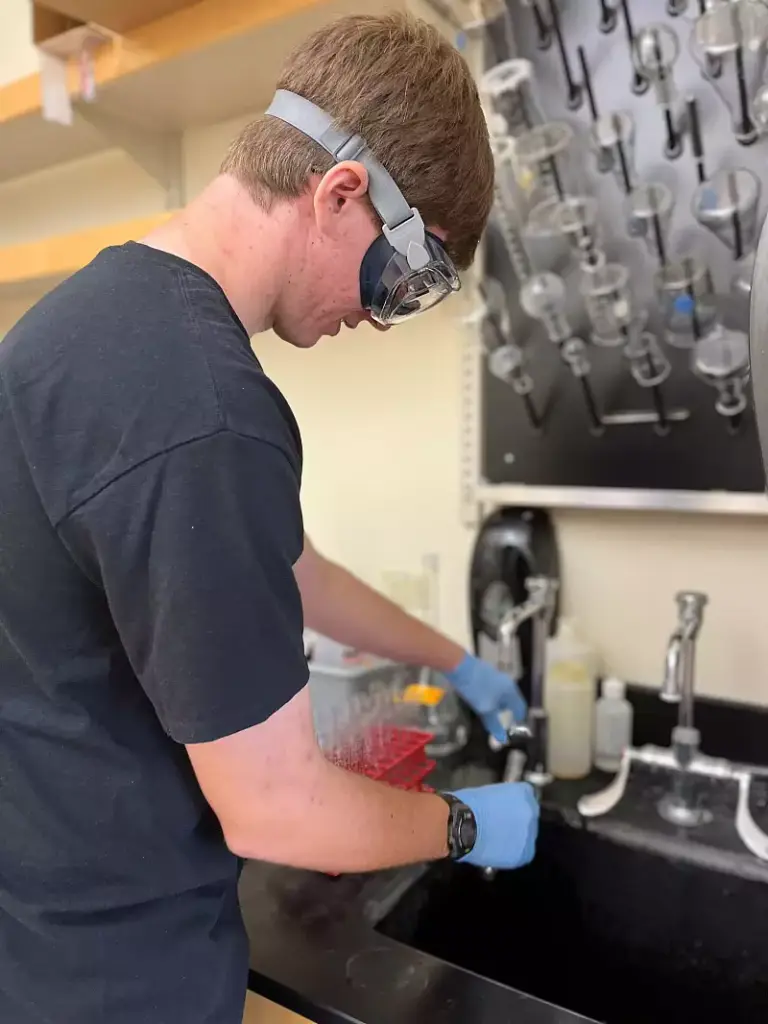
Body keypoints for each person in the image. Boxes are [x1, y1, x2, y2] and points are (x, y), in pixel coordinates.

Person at [0, 12, 539, 1024]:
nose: (379, 317)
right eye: (405, 278)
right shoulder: (207, 412)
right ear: (340, 193)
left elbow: (293, 569)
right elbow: (279, 808)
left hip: (37, 927)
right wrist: (467, 823)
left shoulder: (89, 321)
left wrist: (457, 660)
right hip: (122, 975)